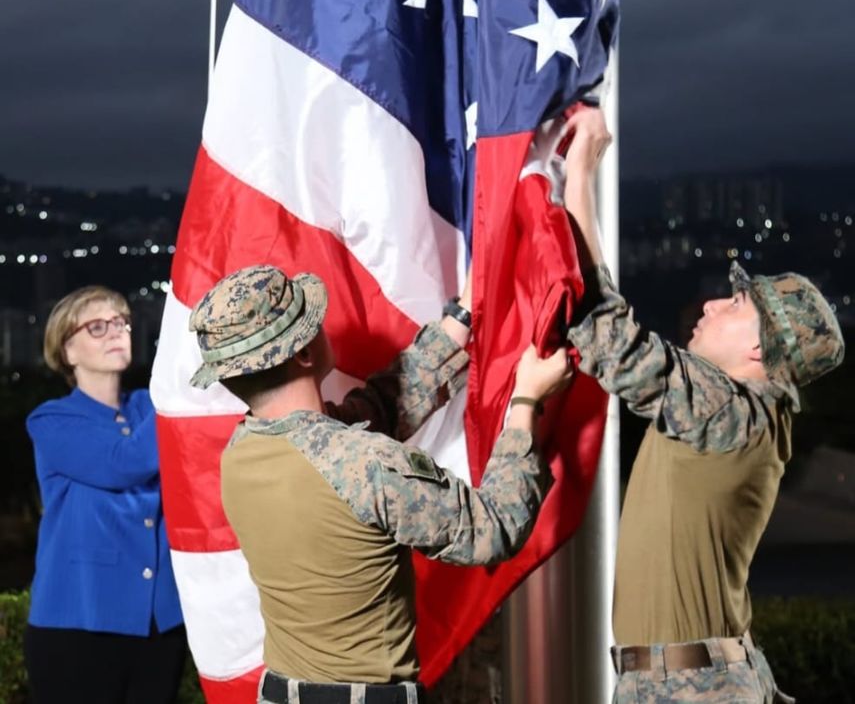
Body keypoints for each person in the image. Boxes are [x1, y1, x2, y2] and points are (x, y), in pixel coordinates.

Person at [560, 108, 844, 703]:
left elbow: (607, 335)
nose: (714, 305)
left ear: (760, 349)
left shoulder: (731, 413)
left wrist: (579, 172)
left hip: (690, 688)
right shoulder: (745, 415)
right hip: (686, 683)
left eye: (736, 306)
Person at [188, 264, 572, 704]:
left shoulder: (241, 452)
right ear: (305, 354)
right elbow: (493, 529)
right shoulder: (362, 462)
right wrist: (526, 402)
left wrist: (463, 316)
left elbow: (375, 409)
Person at [24, 286, 185, 704]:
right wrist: (176, 383)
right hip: (79, 625)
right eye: (98, 327)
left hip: (159, 625)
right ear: (68, 350)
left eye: (121, 323)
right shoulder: (51, 420)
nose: (116, 333)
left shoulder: (149, 405)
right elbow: (122, 462)